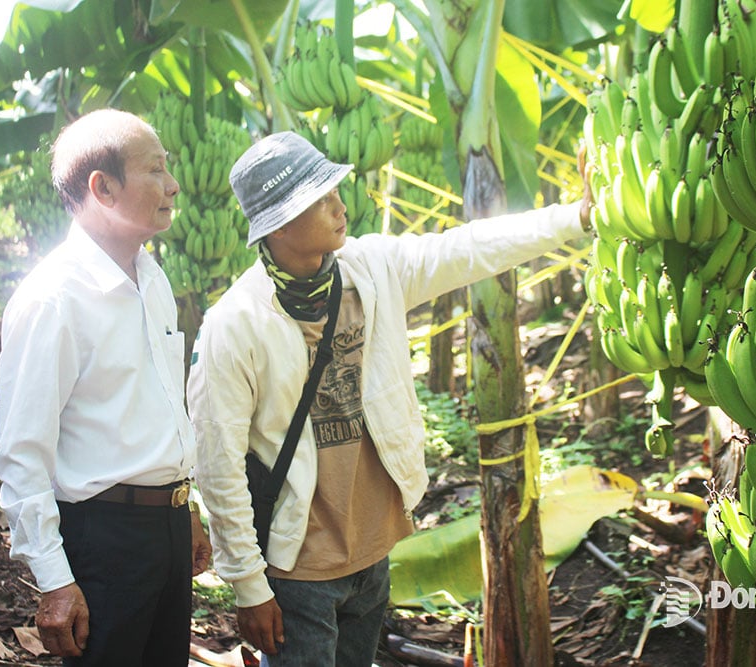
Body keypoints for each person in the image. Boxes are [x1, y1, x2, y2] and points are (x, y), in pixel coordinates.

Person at [186, 131, 592, 665]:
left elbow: (467, 247)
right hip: (298, 567)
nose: (339, 207)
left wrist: (576, 218)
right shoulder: (234, 326)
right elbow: (218, 466)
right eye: (320, 200)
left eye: (335, 191)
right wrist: (249, 586)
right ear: (280, 226)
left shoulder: (371, 269)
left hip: (372, 548)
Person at [0, 108, 212, 667]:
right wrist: (55, 580)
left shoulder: (152, 278)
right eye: (156, 170)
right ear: (102, 187)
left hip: (164, 526)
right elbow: (22, 453)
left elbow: (158, 404)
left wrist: (183, 509)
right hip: (103, 536)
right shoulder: (53, 299)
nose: (173, 185)